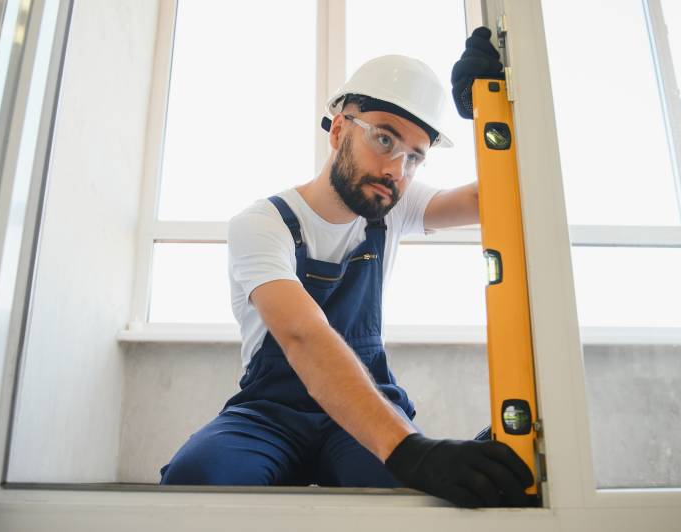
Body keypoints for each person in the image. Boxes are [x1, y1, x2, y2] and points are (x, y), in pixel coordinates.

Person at [160, 27, 533, 507]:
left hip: (367, 407)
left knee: (415, 503)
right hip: (272, 413)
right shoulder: (262, 224)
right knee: (195, 482)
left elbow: (497, 196)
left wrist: (490, 111)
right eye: (384, 139)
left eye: (414, 157)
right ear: (338, 130)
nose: (396, 169)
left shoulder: (391, 206)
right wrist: (411, 451)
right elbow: (302, 335)